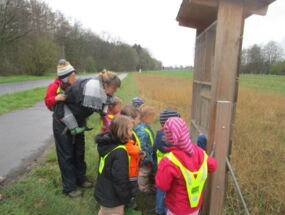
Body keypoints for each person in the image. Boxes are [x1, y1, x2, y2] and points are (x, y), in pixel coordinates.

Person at [52, 70, 121, 198]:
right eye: (114, 88)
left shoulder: (101, 91)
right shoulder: (89, 89)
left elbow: (106, 109)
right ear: (106, 85)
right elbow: (62, 102)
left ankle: (81, 179)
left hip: (78, 120)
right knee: (67, 154)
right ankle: (69, 187)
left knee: (79, 151)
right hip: (63, 119)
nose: (114, 92)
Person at [155, 118, 217, 215]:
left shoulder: (169, 161)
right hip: (195, 205)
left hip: (176, 208)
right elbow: (213, 166)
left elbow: (162, 185)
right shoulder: (199, 152)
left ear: (167, 138)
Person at [94, 115, 133, 215]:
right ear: (122, 132)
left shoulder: (106, 144)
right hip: (113, 197)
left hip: (103, 189)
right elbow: (120, 179)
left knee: (103, 211)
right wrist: (126, 196)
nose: (132, 133)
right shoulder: (120, 152)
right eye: (130, 130)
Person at [154, 109, 181, 215]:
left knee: (163, 190)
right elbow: (166, 148)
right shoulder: (162, 135)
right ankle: (160, 210)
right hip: (165, 169)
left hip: (165, 168)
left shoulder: (161, 133)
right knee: (162, 191)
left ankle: (161, 208)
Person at [134, 105, 156, 193]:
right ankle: (143, 188)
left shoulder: (145, 126)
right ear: (146, 117)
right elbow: (142, 145)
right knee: (144, 172)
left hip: (148, 153)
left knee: (145, 171)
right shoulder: (142, 131)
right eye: (152, 117)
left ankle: (144, 184)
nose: (153, 119)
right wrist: (146, 156)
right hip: (145, 156)